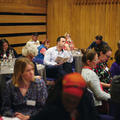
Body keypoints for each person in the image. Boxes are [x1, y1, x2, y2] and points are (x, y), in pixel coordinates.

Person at [31, 72, 99, 120]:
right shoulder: (51, 110)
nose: (71, 102)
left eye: (75, 100)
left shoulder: (86, 107)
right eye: (68, 99)